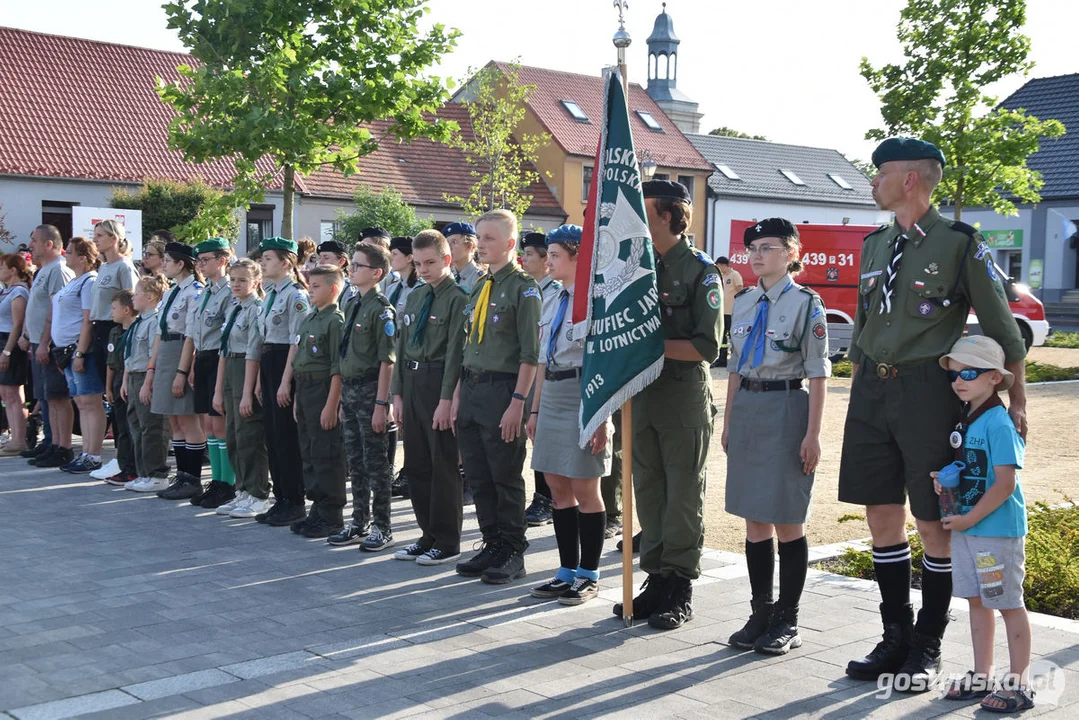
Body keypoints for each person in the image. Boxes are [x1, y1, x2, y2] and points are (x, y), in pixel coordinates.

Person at [839, 138, 1027, 689]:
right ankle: (893, 636)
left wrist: (1017, 400)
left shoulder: (959, 244)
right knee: (880, 516)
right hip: (873, 386)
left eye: (880, 175)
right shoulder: (875, 244)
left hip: (927, 389)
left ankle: (927, 643)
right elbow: (865, 319)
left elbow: (1000, 324)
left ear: (912, 180)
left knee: (932, 522)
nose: (872, 183)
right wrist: (860, 383)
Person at [613, 180, 723, 630]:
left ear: (666, 214)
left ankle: (679, 586)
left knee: (681, 497)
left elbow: (707, 346)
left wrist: (647, 346)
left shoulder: (700, 270)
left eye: (645, 207)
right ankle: (655, 579)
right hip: (642, 395)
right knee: (650, 492)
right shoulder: (632, 265)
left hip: (681, 396)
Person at [722, 219, 829, 655]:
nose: (757, 255)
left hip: (787, 408)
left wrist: (814, 434)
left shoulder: (806, 302)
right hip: (748, 407)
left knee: (787, 517)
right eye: (752, 248)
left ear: (791, 252)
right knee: (753, 517)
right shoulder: (744, 301)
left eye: (768, 247)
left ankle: (788, 618)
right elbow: (733, 366)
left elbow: (819, 371)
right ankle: (760, 612)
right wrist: (728, 420)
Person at [935, 336, 1033, 713]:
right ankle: (982, 675)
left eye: (970, 373)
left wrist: (969, 518)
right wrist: (945, 481)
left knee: (1006, 603)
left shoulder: (998, 422)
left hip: (995, 533)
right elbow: (977, 472)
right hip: (967, 528)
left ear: (995, 378)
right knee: (977, 602)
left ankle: (1020, 684)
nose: (960, 380)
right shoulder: (967, 417)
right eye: (956, 374)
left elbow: (1006, 484)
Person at [453, 209, 542, 584]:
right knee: (478, 473)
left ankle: (512, 551)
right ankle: (491, 543)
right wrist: (458, 395)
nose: (480, 245)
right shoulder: (479, 286)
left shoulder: (524, 289)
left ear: (509, 243)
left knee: (505, 474)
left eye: (488, 238)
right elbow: (465, 347)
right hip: (472, 389)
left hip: (503, 391)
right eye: (478, 237)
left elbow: (530, 353)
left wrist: (518, 403)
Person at [526, 225, 612, 605]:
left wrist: (603, 415)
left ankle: (589, 574)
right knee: (555, 485)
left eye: (556, 255)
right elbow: (543, 360)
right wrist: (534, 408)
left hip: (583, 393)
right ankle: (565, 570)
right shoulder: (552, 298)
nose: (549, 261)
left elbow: (607, 363)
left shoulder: (596, 301)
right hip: (554, 395)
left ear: (578, 256)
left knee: (584, 487)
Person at [391, 231, 468, 566]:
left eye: (431, 262)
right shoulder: (417, 295)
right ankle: (427, 534)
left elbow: (455, 353)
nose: (423, 269)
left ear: (447, 259)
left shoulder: (458, 298)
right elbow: (401, 345)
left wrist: (447, 398)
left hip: (438, 381)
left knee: (443, 465)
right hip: (412, 380)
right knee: (417, 464)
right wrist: (396, 394)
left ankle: (447, 539)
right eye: (419, 263)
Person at [328, 243, 396, 551]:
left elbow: (387, 361)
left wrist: (382, 405)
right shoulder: (353, 302)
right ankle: (358, 522)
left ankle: (382, 526)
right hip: (352, 391)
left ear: (376, 273)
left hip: (371, 393)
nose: (351, 270)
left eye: (357, 266)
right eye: (351, 265)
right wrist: (342, 397)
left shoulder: (382, 310)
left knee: (376, 463)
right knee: (355, 461)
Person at [254, 237, 311, 526]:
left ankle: (295, 500)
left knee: (287, 437)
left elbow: (296, 342)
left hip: (283, 365)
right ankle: (281, 499)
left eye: (268, 258)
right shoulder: (271, 293)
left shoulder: (296, 296)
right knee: (273, 437)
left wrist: (285, 381)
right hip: (269, 362)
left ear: (286, 262)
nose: (262, 263)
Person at [288, 264, 346, 538]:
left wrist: (331, 405)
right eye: (310, 285)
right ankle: (317, 508)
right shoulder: (310, 319)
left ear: (333, 289)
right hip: (306, 389)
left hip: (323, 390)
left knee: (326, 454)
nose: (310, 291)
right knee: (308, 452)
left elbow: (337, 367)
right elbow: (299, 360)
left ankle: (332, 515)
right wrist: (298, 399)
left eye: (317, 286)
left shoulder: (336, 321)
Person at [212, 259, 272, 519]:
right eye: (233, 279)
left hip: (246, 372)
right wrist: (218, 390)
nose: (236, 285)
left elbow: (254, 351)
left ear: (256, 282)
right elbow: (224, 350)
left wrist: (248, 392)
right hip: (231, 371)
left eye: (243, 280)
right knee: (234, 436)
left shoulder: (257, 309)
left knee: (249, 436)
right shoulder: (234, 308)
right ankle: (243, 489)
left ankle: (257, 493)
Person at [147, 242, 206, 499]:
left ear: (181, 263)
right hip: (167, 353)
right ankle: (181, 475)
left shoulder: (195, 291)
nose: (163, 265)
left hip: (181, 352)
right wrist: (152, 368)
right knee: (173, 418)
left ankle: (192, 478)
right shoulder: (173, 292)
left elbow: (192, 334)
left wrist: (183, 371)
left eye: (168, 261)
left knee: (187, 418)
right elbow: (161, 331)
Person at [182, 238, 236, 509]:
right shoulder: (205, 292)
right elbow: (196, 334)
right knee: (207, 423)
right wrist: (191, 364)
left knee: (219, 422)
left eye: (206, 260)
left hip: (219, 359)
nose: (201, 266)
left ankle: (228, 483)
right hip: (203, 358)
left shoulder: (230, 292)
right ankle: (216, 480)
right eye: (199, 261)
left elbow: (226, 334)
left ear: (222, 260)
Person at [22, 225, 75, 468]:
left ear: (49, 244)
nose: (30, 244)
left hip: (51, 344)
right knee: (46, 396)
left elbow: (57, 310)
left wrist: (45, 342)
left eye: (34, 240)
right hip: (37, 341)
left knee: (56, 395)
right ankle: (51, 443)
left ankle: (61, 447)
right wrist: (28, 334)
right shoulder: (45, 270)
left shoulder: (59, 270)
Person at [50, 237, 104, 473]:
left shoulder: (89, 281)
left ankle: (94, 454)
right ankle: (85, 453)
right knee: (81, 402)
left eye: (69, 252)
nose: (65, 255)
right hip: (66, 351)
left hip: (78, 349)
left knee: (91, 401)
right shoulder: (75, 280)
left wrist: (81, 352)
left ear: (83, 258)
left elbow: (87, 320)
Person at [520, 230, 561, 528]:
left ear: (546, 258)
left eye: (530, 254)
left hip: (543, 371)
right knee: (532, 435)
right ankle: (540, 496)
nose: (523, 258)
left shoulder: (554, 292)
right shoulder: (529, 288)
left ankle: (545, 498)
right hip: (528, 370)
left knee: (542, 436)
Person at [123, 275, 172, 492]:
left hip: (146, 376)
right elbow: (130, 354)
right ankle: (143, 472)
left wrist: (148, 383)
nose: (133, 298)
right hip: (134, 375)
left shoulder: (154, 322)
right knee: (136, 425)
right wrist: (126, 381)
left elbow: (155, 354)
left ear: (151, 297)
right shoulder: (139, 322)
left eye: (137, 293)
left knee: (151, 426)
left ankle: (157, 473)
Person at [91, 221, 138, 388]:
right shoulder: (104, 268)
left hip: (116, 328)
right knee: (105, 383)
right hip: (99, 328)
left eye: (100, 235)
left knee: (117, 383)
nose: (95, 239)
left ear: (114, 238)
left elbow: (132, 300)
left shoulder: (124, 267)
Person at [103, 290, 138, 486]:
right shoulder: (114, 332)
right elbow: (111, 363)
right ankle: (124, 466)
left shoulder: (138, 328)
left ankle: (134, 468)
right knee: (121, 427)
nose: (111, 313)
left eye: (114, 308)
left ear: (126, 309)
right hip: (117, 382)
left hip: (132, 380)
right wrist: (108, 387)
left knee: (133, 427)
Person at [0, 254, 32, 455]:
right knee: (6, 393)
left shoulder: (19, 292)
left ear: (13, 270)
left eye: (2, 266)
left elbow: (17, 324)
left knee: (13, 393)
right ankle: (14, 438)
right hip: (2, 341)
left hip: (9, 343)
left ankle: (19, 440)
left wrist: (7, 351)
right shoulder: (7, 291)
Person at [715, 256, 743, 367]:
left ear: (723, 265)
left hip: (732, 312)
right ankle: (722, 360)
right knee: (722, 338)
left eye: (718, 266)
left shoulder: (735, 275)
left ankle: (737, 359)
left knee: (734, 337)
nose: (718, 268)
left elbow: (740, 291)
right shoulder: (721, 276)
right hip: (722, 312)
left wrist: (740, 306)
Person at [445, 222, 486, 294]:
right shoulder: (447, 276)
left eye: (454, 242)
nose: (449, 247)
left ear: (469, 246)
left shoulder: (479, 279)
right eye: (447, 243)